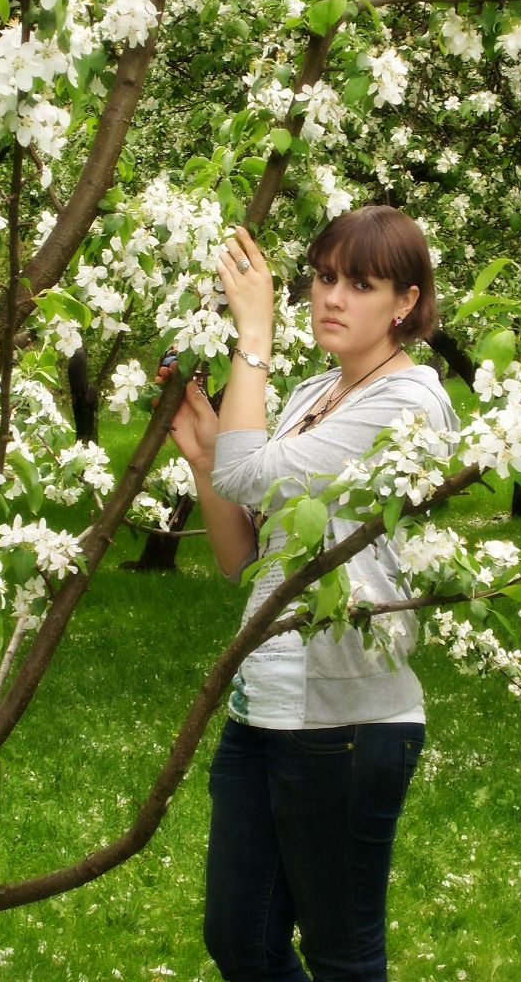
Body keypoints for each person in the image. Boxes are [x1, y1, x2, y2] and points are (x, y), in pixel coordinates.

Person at [164, 205, 457, 982]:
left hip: (348, 722)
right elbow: (243, 559)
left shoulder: (409, 404)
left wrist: (250, 339)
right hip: (261, 706)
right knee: (242, 940)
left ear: (405, 302)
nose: (332, 297)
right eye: (325, 277)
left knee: (342, 954)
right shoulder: (307, 396)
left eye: (360, 284)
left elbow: (251, 471)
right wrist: (203, 461)